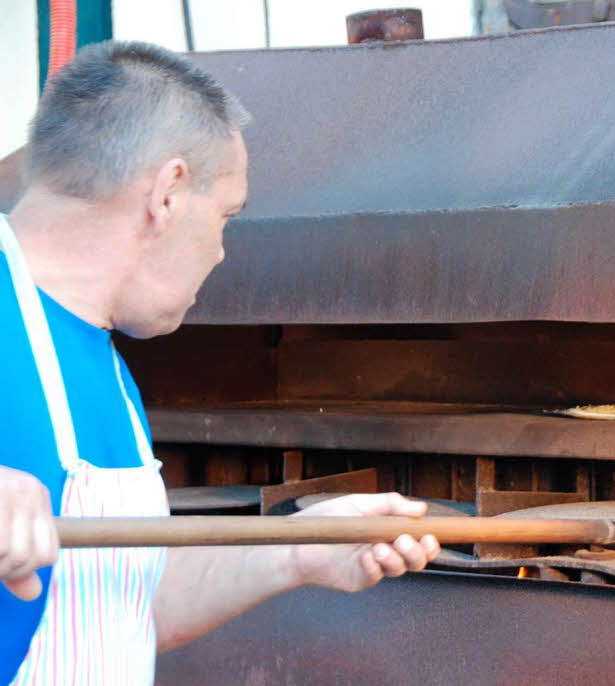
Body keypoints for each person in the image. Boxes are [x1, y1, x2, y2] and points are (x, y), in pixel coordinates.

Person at [0, 41, 439, 685]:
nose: (220, 253)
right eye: (226, 217)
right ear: (169, 193)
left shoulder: (98, 355)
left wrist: (296, 549)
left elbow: (121, 605)